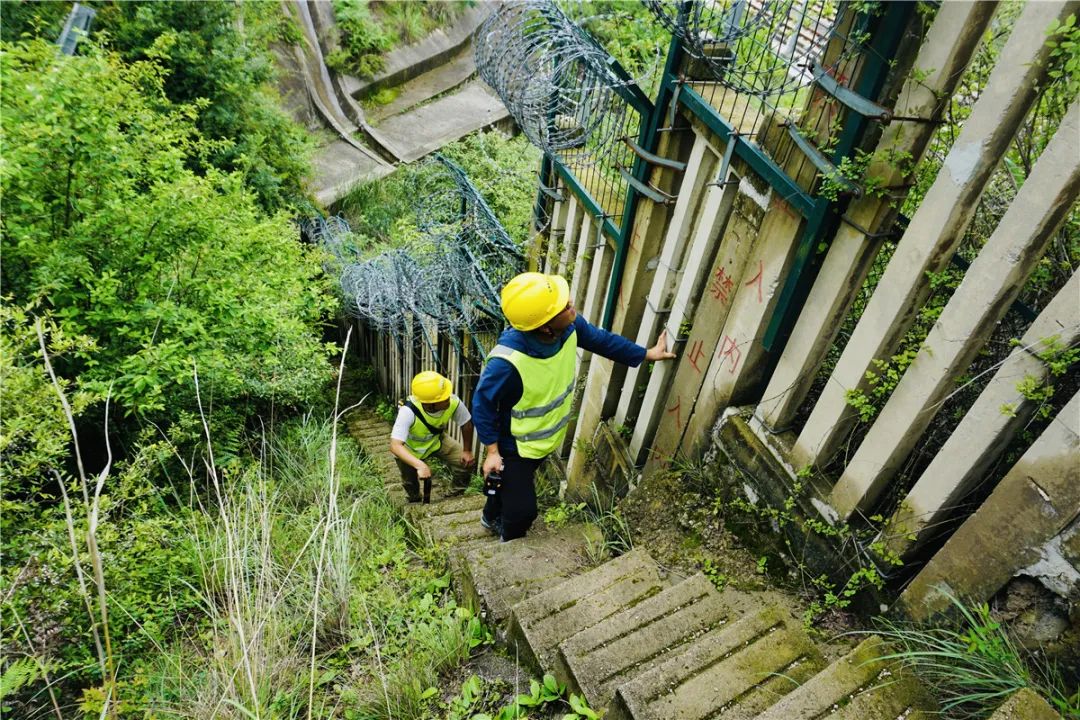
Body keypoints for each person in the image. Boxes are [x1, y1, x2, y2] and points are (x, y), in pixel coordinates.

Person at [472, 272, 676, 540]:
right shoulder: (506, 362)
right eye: (562, 306)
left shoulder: (569, 328)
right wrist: (492, 452)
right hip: (515, 447)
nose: (570, 303)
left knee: (509, 487)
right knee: (522, 511)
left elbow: (603, 341)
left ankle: (490, 516)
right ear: (545, 327)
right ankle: (508, 542)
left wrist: (646, 354)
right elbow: (482, 403)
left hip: (544, 439)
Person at [390, 371, 475, 503]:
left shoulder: (452, 401)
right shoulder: (408, 411)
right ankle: (414, 499)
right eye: (443, 398)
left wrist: (467, 451)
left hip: (436, 441)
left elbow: (466, 423)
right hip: (409, 450)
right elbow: (395, 446)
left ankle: (455, 495)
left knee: (464, 463)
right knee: (409, 482)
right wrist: (420, 465)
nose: (448, 398)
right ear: (429, 404)